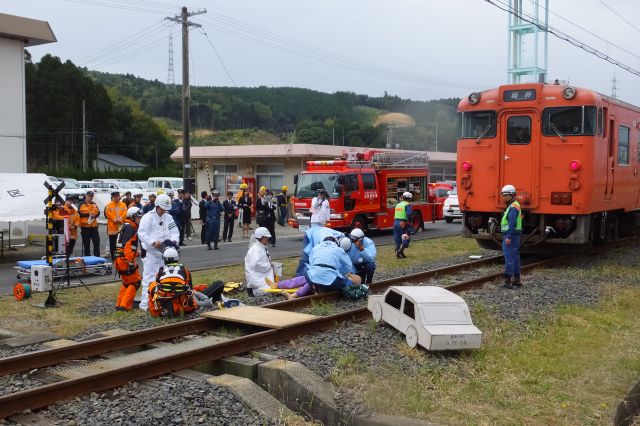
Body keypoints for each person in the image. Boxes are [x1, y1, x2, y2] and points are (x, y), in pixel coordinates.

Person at [279, 236, 360, 300]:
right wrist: (340, 273)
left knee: (307, 271)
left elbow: (311, 263)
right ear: (336, 243)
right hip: (332, 281)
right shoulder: (338, 250)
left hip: (314, 278)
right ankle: (321, 290)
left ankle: (316, 290)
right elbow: (348, 266)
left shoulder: (316, 248)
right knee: (347, 282)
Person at [136, 193, 180, 311]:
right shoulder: (148, 217)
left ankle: (162, 302)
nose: (164, 211)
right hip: (152, 253)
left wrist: (174, 241)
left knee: (165, 278)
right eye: (162, 209)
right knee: (149, 279)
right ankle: (145, 305)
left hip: (166, 253)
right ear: (157, 206)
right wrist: (152, 242)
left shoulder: (168, 217)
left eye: (166, 209)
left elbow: (174, 230)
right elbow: (142, 233)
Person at [147, 247, 197, 318]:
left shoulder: (161, 270)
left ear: (164, 258)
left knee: (152, 285)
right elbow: (190, 288)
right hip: (183, 303)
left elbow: (158, 287)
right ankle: (177, 308)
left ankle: (156, 313)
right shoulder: (185, 270)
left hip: (165, 299)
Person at [114, 207, 143, 311]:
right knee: (135, 282)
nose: (140, 219)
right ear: (132, 217)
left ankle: (119, 305)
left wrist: (135, 253)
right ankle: (125, 306)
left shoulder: (125, 226)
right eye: (139, 217)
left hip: (119, 258)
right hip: (124, 259)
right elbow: (127, 246)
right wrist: (130, 261)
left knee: (127, 282)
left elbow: (125, 245)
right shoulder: (131, 228)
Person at [500, 184, 523, 289]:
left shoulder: (513, 207)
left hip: (511, 236)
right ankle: (516, 281)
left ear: (512, 195)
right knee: (515, 257)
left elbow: (512, 223)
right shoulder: (514, 205)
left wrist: (508, 237)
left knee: (509, 258)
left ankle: (507, 281)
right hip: (515, 235)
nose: (504, 197)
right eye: (503, 195)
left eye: (506, 195)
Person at [244, 227, 276, 296]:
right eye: (266, 237)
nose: (268, 239)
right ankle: (252, 292)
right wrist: (269, 266)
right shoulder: (255, 250)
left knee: (274, 288)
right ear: (260, 237)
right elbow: (255, 264)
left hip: (260, 278)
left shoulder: (260, 247)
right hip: (257, 281)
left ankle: (253, 290)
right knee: (272, 290)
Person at [105, 191, 127, 260]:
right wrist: (115, 219)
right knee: (112, 243)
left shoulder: (123, 204)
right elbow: (108, 213)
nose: (116, 198)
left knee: (120, 243)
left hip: (120, 226)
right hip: (112, 227)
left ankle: (119, 256)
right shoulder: (109, 205)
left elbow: (125, 213)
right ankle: (113, 257)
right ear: (113, 197)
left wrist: (120, 219)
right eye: (115, 196)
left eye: (117, 196)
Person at [78, 190, 100, 257]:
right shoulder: (81, 204)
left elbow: (98, 212)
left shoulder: (94, 204)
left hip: (94, 226)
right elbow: (79, 213)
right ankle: (87, 257)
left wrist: (95, 215)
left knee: (96, 242)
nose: (91, 198)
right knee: (86, 244)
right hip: (85, 227)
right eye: (89, 196)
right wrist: (87, 214)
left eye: (92, 196)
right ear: (86, 196)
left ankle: (97, 257)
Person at [393, 191, 413, 259]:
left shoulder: (398, 204)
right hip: (403, 222)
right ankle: (401, 249)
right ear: (409, 198)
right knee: (406, 236)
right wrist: (408, 221)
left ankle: (397, 253)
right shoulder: (407, 204)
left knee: (398, 238)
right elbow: (409, 214)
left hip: (395, 222)